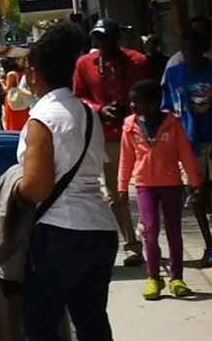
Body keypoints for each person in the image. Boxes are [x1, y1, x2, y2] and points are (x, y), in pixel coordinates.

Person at [16, 23, 118, 340]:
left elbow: (36, 187)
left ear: (34, 73)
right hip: (101, 229)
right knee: (92, 322)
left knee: (39, 325)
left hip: (60, 234)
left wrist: (10, 184)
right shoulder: (87, 113)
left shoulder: (42, 119)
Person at [72, 17, 148, 266]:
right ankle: (132, 246)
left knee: (150, 187)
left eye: (105, 37)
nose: (101, 42)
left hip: (141, 133)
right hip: (108, 136)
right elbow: (79, 96)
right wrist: (100, 108)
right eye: (97, 37)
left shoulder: (137, 61)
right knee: (116, 193)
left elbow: (151, 92)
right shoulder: (85, 64)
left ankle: (144, 231)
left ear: (116, 38)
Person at [119, 79, 200, 299]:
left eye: (137, 102)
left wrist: (194, 182)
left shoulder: (173, 123)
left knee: (174, 232)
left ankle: (176, 278)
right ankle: (153, 277)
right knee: (150, 230)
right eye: (131, 102)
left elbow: (185, 153)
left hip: (171, 184)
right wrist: (122, 186)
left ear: (153, 103)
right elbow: (126, 158)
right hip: (145, 185)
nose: (133, 106)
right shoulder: (129, 125)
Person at [162, 28, 212, 267]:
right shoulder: (175, 74)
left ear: (203, 49)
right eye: (184, 49)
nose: (188, 53)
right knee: (196, 193)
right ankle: (209, 246)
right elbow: (167, 108)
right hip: (189, 144)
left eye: (193, 49)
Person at [1, 59, 30, 131]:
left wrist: (1, 83)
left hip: (13, 97)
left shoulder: (10, 74)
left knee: (13, 120)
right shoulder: (21, 73)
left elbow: (7, 89)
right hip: (22, 98)